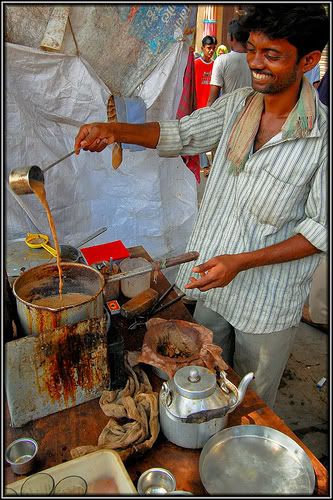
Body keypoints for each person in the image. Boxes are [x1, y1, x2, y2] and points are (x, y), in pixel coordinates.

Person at [74, 4, 328, 408]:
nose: (256, 64)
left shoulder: (322, 140)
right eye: (253, 50)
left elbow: (320, 233)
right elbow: (181, 132)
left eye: (272, 55)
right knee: (202, 380)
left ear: (310, 60)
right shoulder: (237, 105)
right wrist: (113, 130)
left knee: (250, 402)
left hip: (266, 304)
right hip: (212, 286)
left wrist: (240, 262)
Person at [207, 19, 251, 105]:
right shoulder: (256, 61)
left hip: (228, 114)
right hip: (250, 113)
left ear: (231, 37)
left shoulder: (221, 60)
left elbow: (212, 99)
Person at [194, 35, 217, 109]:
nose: (211, 51)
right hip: (196, 106)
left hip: (210, 106)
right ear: (202, 48)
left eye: (213, 48)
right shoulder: (195, 64)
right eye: (209, 48)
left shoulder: (216, 65)